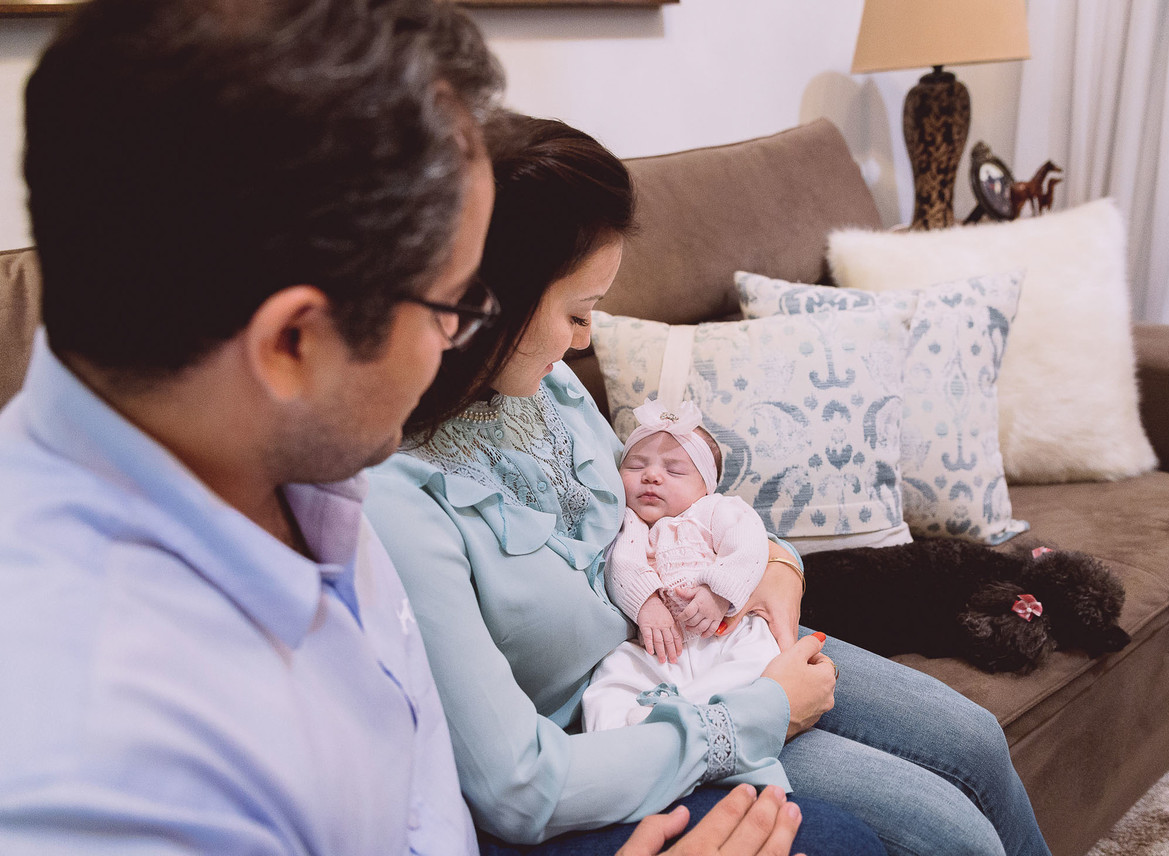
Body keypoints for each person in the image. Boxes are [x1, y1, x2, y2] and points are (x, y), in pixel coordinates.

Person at [0, 3, 810, 855]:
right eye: (451, 308)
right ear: (292, 344)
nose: (459, 350)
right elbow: (510, 785)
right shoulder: (98, 765)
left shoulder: (288, 463)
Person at [366, 108, 1052, 856]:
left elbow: (663, 509)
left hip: (720, 638)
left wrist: (778, 563)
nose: (585, 339)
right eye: (577, 312)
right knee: (950, 832)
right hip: (635, 724)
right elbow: (519, 787)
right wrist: (762, 713)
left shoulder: (544, 384)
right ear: (488, 301)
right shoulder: (399, 499)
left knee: (973, 737)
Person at [582, 398, 784, 737]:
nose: (651, 476)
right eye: (635, 466)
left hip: (723, 635)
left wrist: (719, 591)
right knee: (612, 673)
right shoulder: (628, 523)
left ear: (705, 487)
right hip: (659, 647)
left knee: (761, 659)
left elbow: (749, 544)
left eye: (674, 471)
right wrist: (646, 604)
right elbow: (622, 566)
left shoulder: (714, 510)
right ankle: (618, 738)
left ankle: (677, 711)